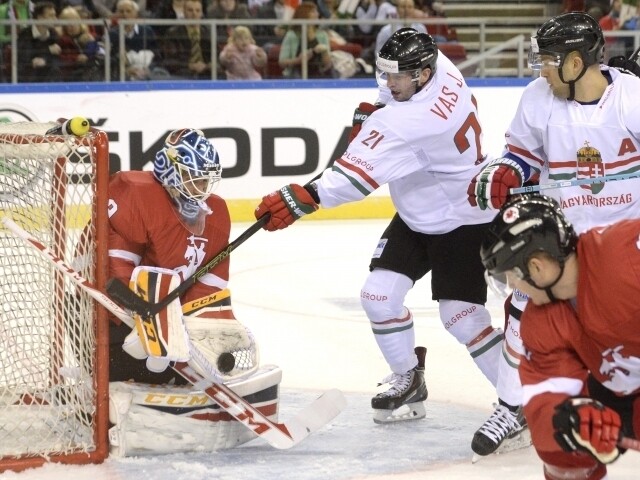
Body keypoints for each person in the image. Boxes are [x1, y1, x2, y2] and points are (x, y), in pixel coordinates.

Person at [254, 27, 503, 424]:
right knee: (378, 297)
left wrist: (304, 198)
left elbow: (350, 182)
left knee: (462, 316)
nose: (388, 83)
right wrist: (378, 106)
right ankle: (409, 379)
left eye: (396, 77)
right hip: (420, 212)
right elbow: (390, 100)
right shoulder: (441, 67)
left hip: (464, 217)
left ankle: (520, 400)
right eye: (383, 73)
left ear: (421, 75)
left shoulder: (410, 122)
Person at [467, 12, 640, 457]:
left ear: (578, 62)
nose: (540, 69)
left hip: (626, 246)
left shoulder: (632, 99)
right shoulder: (537, 98)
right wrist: (506, 171)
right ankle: (512, 407)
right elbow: (522, 153)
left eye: (548, 60)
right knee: (523, 319)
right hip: (562, 240)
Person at [105, 128, 281, 456]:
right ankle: (119, 389)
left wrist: (196, 328)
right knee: (135, 360)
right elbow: (114, 276)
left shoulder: (214, 213)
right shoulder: (136, 197)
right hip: (112, 322)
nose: (202, 188)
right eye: (194, 178)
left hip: (164, 326)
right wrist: (143, 320)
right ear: (170, 170)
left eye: (206, 179)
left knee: (187, 360)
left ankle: (163, 380)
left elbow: (208, 286)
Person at [480, 193, 640, 480]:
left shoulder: (624, 256)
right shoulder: (542, 323)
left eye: (511, 275)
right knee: (566, 435)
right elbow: (546, 395)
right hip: (626, 391)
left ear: (536, 267)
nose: (513, 286)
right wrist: (565, 418)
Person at [108, 0, 163, 80]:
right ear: (117, 14)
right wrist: (125, 70)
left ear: (136, 14)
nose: (125, 14)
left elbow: (158, 56)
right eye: (121, 11)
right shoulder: (112, 34)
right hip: (123, 75)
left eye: (128, 11)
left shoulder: (147, 31)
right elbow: (109, 59)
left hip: (147, 73)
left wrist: (149, 69)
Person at [278, 1, 332, 79]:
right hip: (295, 76)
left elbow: (328, 65)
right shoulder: (291, 35)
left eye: (316, 11)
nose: (317, 14)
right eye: (313, 12)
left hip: (318, 76)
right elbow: (282, 62)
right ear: (304, 14)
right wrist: (298, 60)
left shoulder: (322, 35)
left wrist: (324, 52)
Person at [160, 0, 213, 79]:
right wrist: (190, 66)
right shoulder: (173, 33)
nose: (194, 14)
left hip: (206, 72)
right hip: (183, 72)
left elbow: (217, 57)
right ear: (184, 12)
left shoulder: (209, 32)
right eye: (190, 10)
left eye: (197, 11)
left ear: (202, 13)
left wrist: (207, 66)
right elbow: (170, 61)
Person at [17, 1, 63, 83]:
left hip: (49, 74)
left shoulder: (53, 34)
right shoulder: (25, 34)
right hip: (28, 76)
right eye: (51, 16)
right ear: (40, 17)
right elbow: (24, 57)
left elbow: (55, 56)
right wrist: (48, 50)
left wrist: (44, 59)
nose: (55, 19)